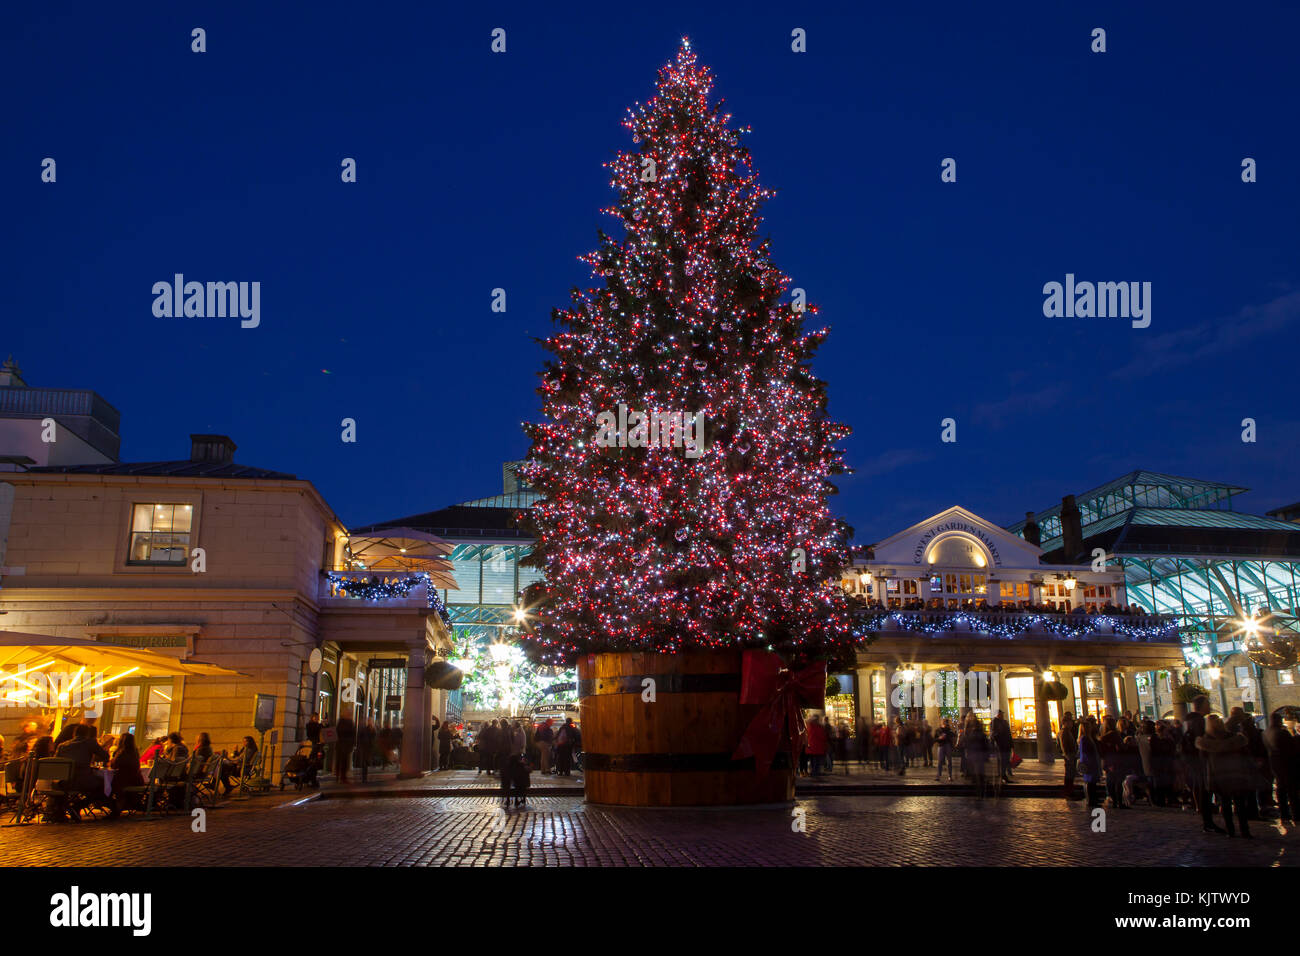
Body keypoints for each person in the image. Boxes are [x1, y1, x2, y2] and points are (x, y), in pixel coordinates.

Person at [1196, 714, 1255, 838]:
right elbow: (1245, 754)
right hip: (1235, 773)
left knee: (1226, 804)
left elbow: (1202, 760)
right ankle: (1245, 830)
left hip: (1219, 776)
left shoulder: (1206, 741)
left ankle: (1230, 830)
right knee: (1239, 804)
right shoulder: (1234, 738)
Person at [1182, 696, 1223, 833]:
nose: (1209, 706)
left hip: (1192, 760)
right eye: (1207, 704)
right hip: (1199, 760)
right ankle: (1207, 820)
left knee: (1202, 789)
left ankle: (1207, 818)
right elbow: (1201, 742)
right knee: (1204, 789)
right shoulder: (1198, 721)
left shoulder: (1188, 720)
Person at [53, 724, 111, 822]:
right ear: (87, 734)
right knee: (105, 784)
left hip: (63, 782)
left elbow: (56, 763)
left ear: (74, 733)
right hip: (83, 780)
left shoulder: (62, 745)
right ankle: (78, 805)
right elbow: (105, 756)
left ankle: (63, 809)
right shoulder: (89, 743)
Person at [1263, 712, 1298, 824]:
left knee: (1281, 788)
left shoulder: (1265, 733)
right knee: (1292, 790)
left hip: (1274, 763)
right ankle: (1296, 813)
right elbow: (1292, 748)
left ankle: (1284, 813)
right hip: (1287, 764)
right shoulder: (1282, 732)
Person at [1097, 715, 1125, 808]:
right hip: (1116, 760)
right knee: (1117, 782)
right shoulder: (1115, 735)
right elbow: (1120, 748)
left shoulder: (1103, 738)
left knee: (1111, 782)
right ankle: (1119, 802)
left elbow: (1101, 752)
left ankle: (1114, 801)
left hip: (1107, 761)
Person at [1077, 717, 1103, 809]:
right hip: (1089, 762)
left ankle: (1094, 798)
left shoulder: (1088, 738)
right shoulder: (1084, 739)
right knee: (1090, 782)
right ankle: (1091, 799)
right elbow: (1084, 752)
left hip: (1092, 761)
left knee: (1093, 782)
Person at [963, 714, 990, 799]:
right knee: (979, 774)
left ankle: (979, 792)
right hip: (977, 755)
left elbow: (968, 743)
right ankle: (980, 791)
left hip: (976, 755)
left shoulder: (974, 734)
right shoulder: (980, 734)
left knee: (978, 774)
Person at [1058, 712, 1079, 800]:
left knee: (1071, 774)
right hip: (1069, 755)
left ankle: (1070, 791)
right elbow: (1064, 745)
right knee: (1069, 775)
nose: (1072, 724)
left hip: (1071, 755)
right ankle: (1069, 792)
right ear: (1065, 722)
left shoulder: (1066, 731)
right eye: (1070, 722)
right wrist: (1067, 755)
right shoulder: (1064, 732)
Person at [990, 710, 1014, 783]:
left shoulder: (1004, 722)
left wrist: (1011, 744)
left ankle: (1003, 774)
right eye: (1001, 714)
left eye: (1002, 714)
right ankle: (1002, 775)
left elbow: (1009, 733)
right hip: (1001, 745)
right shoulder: (995, 722)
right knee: (1002, 760)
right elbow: (994, 734)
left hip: (1006, 744)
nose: (1002, 715)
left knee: (1006, 760)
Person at [334, 714, 356, 783]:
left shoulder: (341, 723)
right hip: (344, 745)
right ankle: (341, 776)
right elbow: (353, 734)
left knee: (341, 761)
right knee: (343, 761)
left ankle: (339, 776)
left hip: (342, 745)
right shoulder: (349, 723)